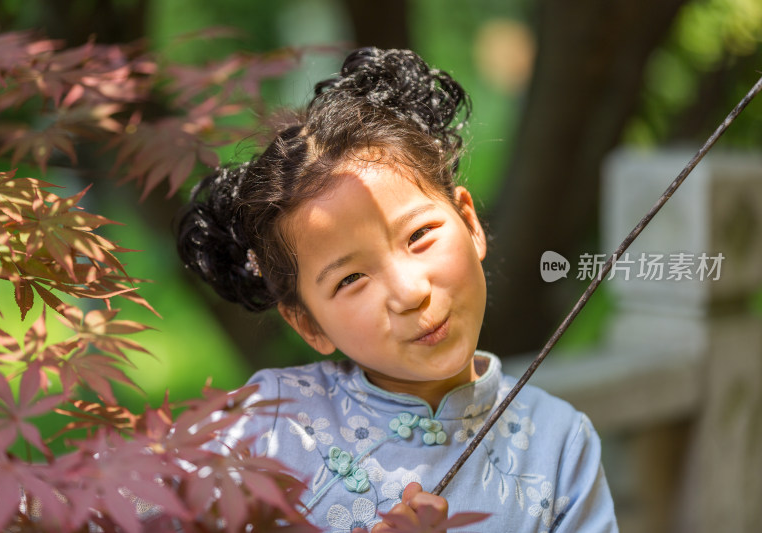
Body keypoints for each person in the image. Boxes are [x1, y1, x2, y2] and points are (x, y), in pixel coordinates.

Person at [176, 47, 618, 532]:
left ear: (469, 222)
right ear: (307, 322)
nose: (410, 293)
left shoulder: (559, 443)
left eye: (419, 236)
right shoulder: (267, 426)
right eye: (350, 279)